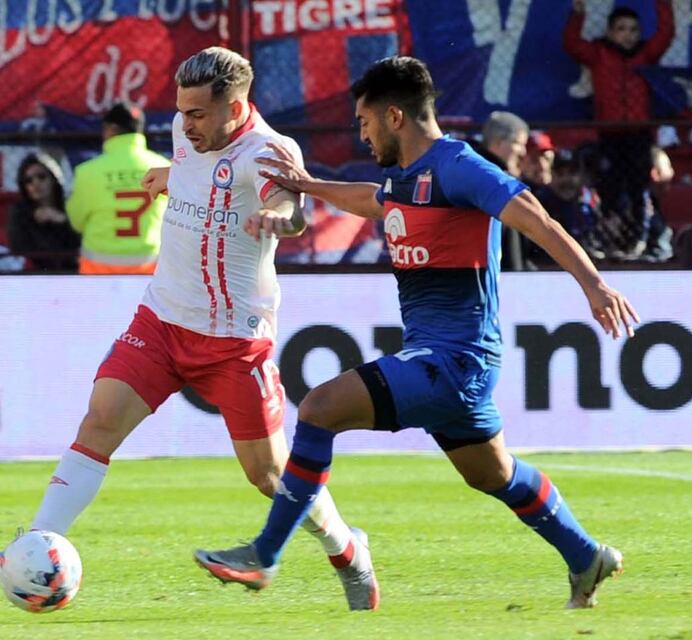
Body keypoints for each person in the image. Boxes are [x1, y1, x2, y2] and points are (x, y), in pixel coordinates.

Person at [194, 56, 639, 610]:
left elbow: (529, 212)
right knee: (492, 474)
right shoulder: (408, 175)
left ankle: (265, 554)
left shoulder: (458, 166)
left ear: (395, 116)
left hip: (453, 360)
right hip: (449, 362)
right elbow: (373, 201)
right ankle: (585, 555)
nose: (361, 132)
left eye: (365, 121)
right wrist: (307, 184)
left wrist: (594, 286)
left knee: (318, 409)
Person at [0, 46, 379, 611]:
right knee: (101, 419)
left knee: (269, 475)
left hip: (234, 340)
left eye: (197, 114)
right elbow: (196, 172)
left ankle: (348, 552)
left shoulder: (269, 151)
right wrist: (169, 175)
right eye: (180, 112)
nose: (183, 124)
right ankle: (31, 547)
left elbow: (292, 208)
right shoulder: (188, 134)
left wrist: (278, 218)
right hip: (161, 320)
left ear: (236, 108)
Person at [564, 0, 674, 258]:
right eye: (622, 29)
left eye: (634, 29)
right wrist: (578, 14)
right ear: (611, 31)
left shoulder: (646, 54)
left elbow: (666, 33)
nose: (628, 35)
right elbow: (571, 44)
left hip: (638, 134)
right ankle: (611, 239)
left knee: (638, 188)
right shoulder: (599, 53)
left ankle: (639, 240)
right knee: (610, 188)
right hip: (610, 134)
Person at [66, 102, 170, 274]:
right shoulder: (164, 168)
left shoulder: (87, 171)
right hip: (151, 269)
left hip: (98, 270)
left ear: (109, 129)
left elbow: (76, 222)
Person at [6, 152, 80, 271]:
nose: (36, 183)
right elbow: (20, 248)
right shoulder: (19, 213)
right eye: (28, 180)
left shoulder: (69, 207)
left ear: (53, 179)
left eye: (41, 176)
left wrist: (62, 220)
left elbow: (80, 242)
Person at [475, 111, 529, 270]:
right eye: (519, 143)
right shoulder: (497, 182)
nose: (523, 152)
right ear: (498, 142)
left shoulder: (475, 173)